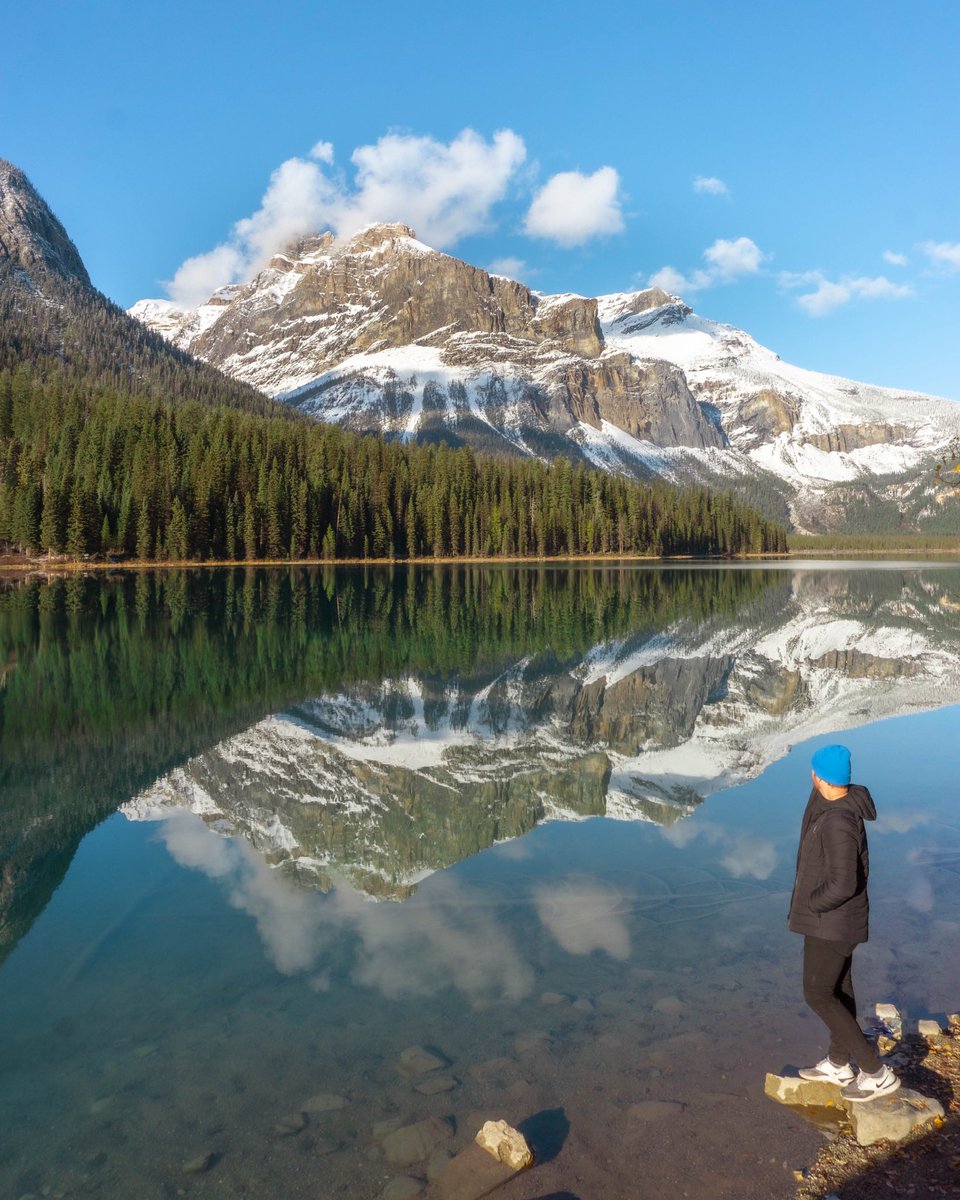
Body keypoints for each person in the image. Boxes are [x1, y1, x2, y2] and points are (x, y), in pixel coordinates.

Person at [788, 743, 899, 1102]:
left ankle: (876, 1073)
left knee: (818, 993)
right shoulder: (835, 803)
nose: (811, 778)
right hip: (837, 922)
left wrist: (812, 902)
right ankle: (838, 1064)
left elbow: (844, 883)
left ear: (820, 777)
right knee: (840, 989)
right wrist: (824, 780)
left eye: (814, 773)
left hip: (832, 921)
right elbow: (816, 802)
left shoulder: (838, 821)